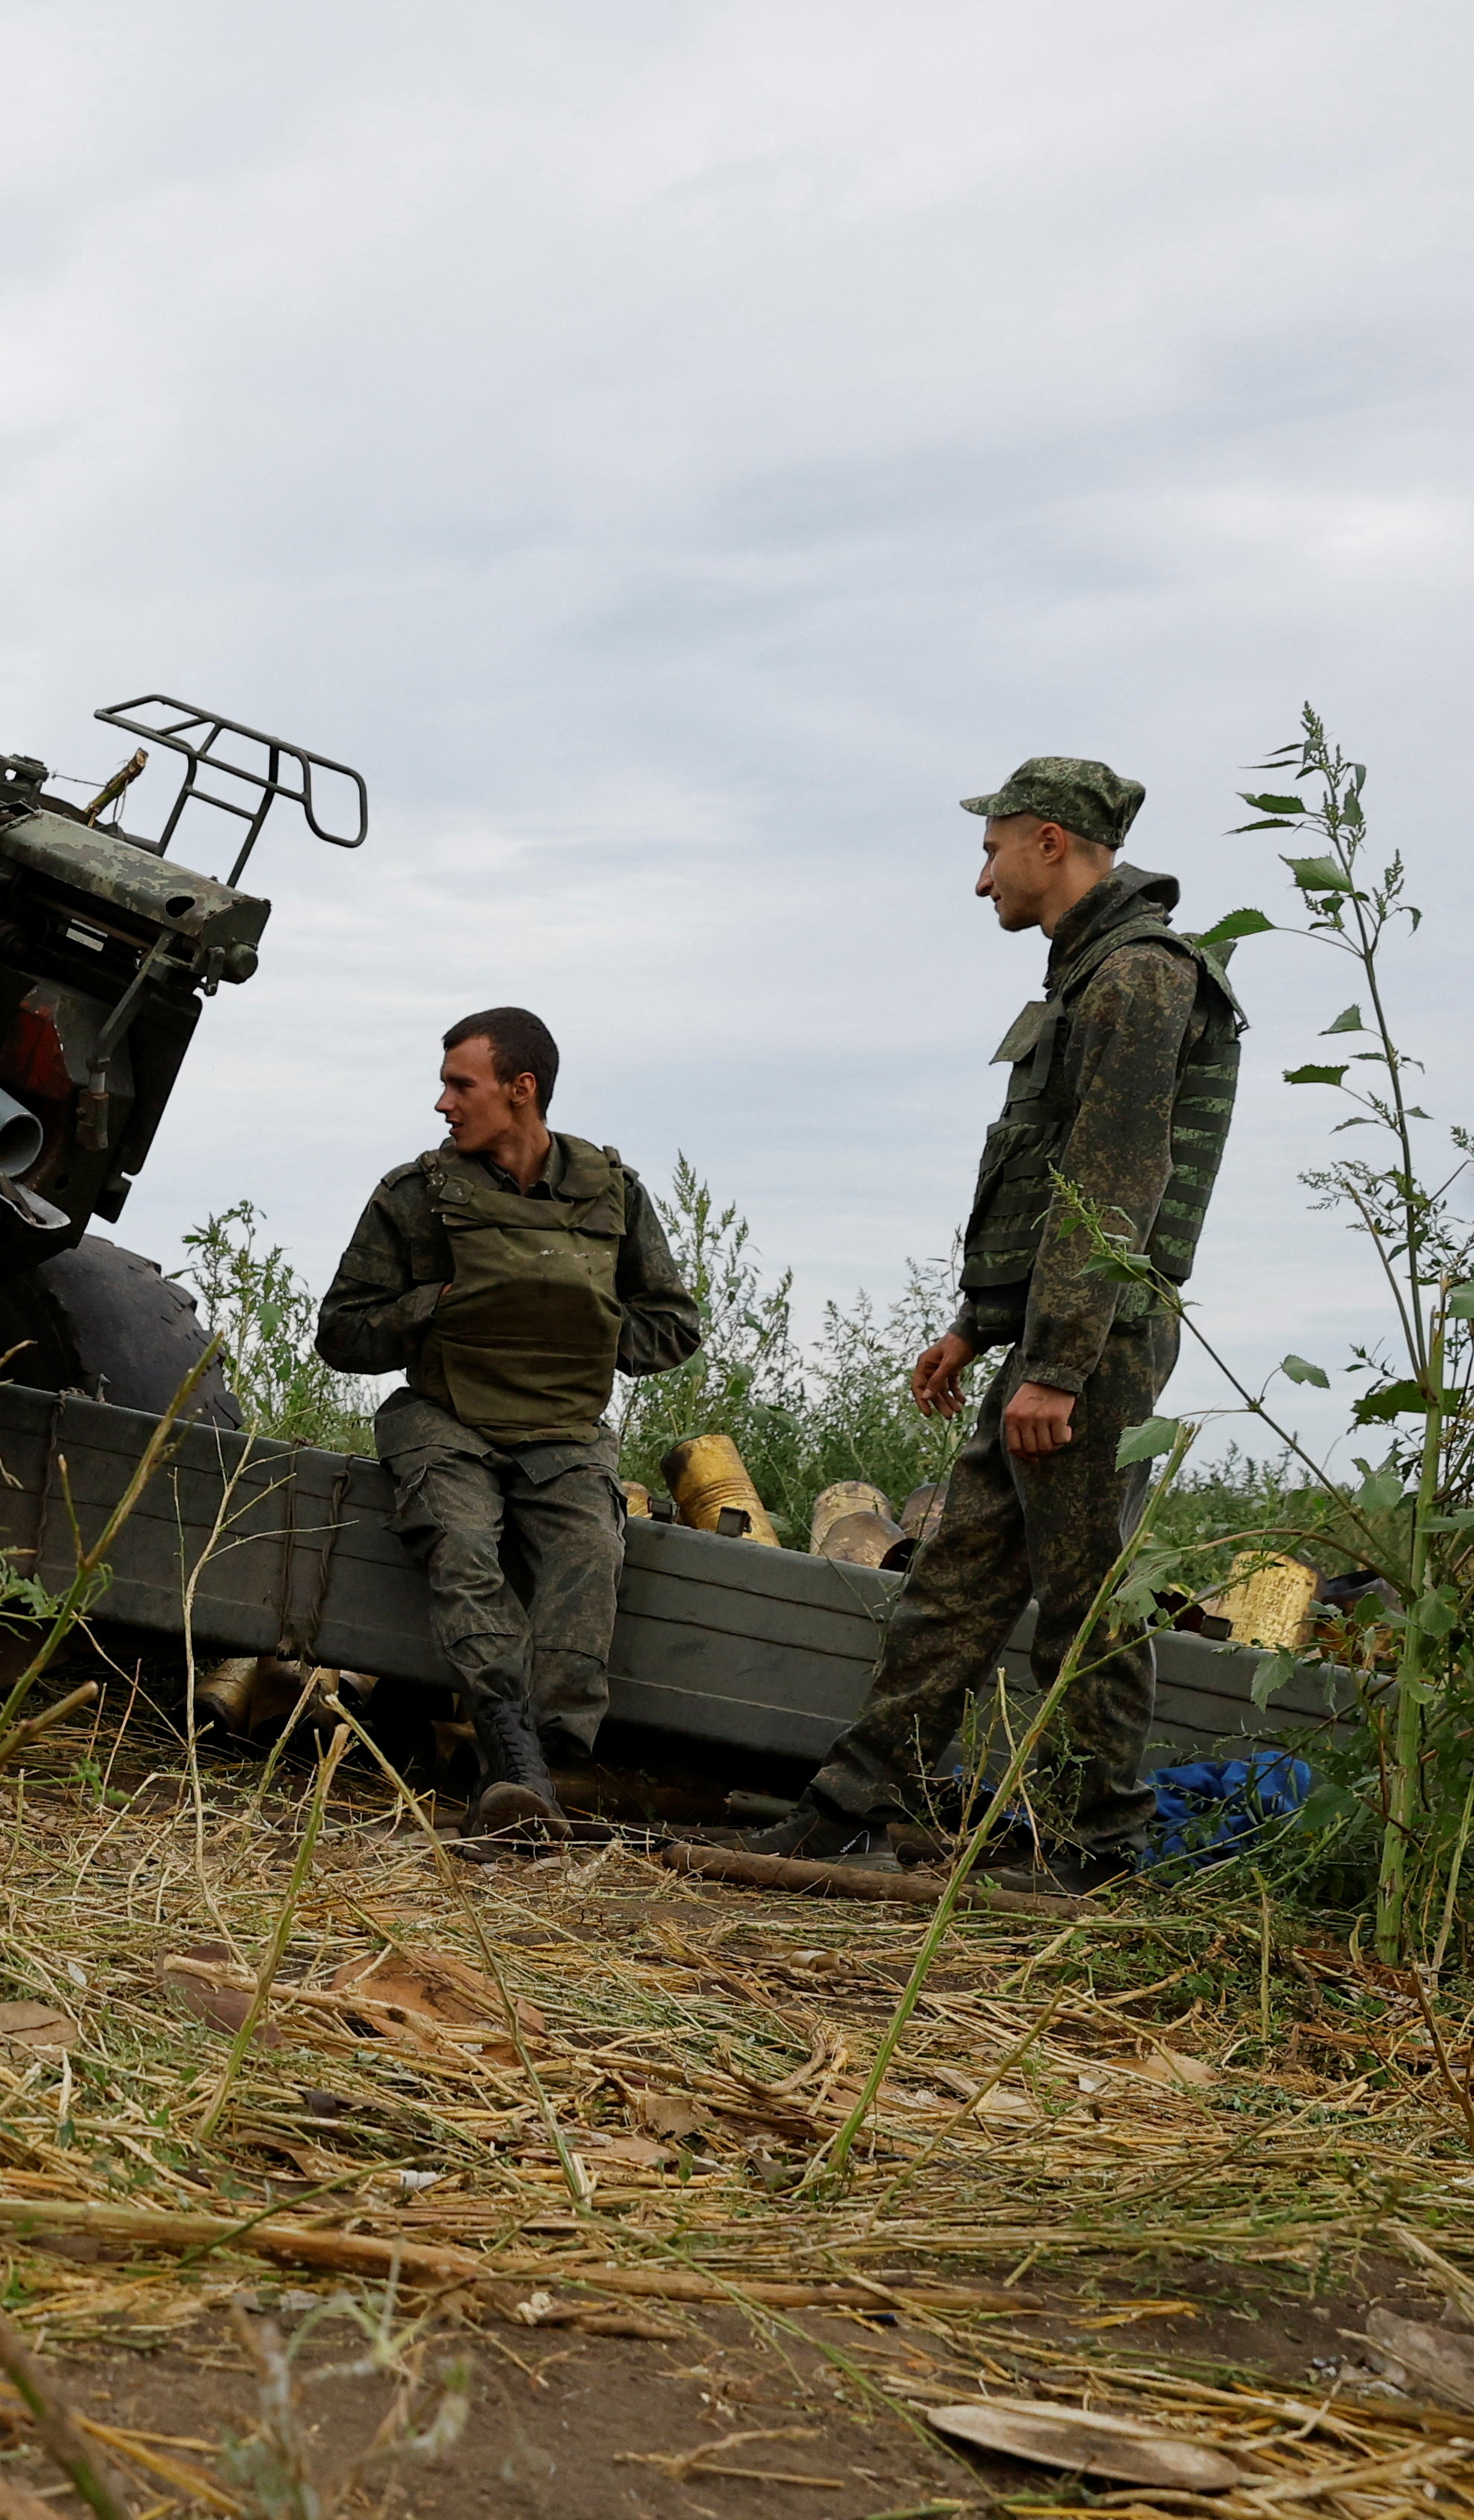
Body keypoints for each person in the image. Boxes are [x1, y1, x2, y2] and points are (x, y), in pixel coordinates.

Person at [741, 758, 1243, 1892]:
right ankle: (854, 1805)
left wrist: (1060, 1364)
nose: (983, 881)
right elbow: (1043, 1176)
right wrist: (981, 1327)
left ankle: (1095, 1849)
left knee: (1083, 1603)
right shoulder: (1086, 979)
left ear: (1052, 843)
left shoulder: (1140, 979)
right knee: (956, 1579)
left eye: (994, 849)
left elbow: (1115, 1183)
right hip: (1053, 1338)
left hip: (1095, 1344)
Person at [316, 1010, 706, 1831]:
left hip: (562, 1430)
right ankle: (506, 1742)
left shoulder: (611, 1194)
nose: (442, 1103)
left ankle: (551, 1753)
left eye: (460, 1084)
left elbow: (673, 1323)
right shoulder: (415, 1196)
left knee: (590, 1550)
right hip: (445, 1418)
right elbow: (341, 1332)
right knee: (460, 1542)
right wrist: (442, 1306)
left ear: (519, 1089)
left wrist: (586, 1336)